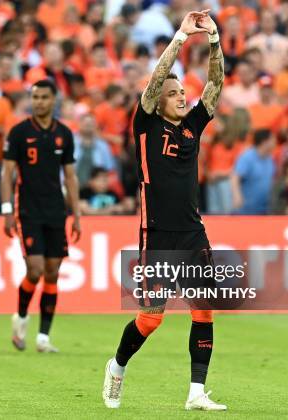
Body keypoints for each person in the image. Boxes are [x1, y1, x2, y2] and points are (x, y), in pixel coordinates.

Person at [102, 10, 227, 411]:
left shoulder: (192, 127)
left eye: (181, 94)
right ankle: (118, 366)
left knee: (204, 309)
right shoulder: (145, 125)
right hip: (156, 233)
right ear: (158, 101)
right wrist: (180, 37)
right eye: (174, 94)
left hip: (192, 231)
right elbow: (156, 79)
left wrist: (214, 41)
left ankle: (196, 392)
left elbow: (216, 84)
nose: (181, 97)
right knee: (151, 318)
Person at [0, 79, 82, 353]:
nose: (39, 102)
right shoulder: (19, 132)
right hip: (28, 210)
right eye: (35, 97)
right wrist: (6, 209)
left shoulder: (64, 134)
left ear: (54, 100)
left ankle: (43, 338)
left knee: (52, 273)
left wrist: (77, 213)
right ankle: (21, 317)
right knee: (34, 270)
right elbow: (7, 174)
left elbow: (70, 176)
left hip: (56, 210)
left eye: (44, 97)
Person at [231, 129, 277, 215]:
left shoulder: (270, 158)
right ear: (264, 142)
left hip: (264, 209)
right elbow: (235, 177)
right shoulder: (248, 157)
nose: (275, 142)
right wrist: (237, 195)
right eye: (272, 140)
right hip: (246, 210)